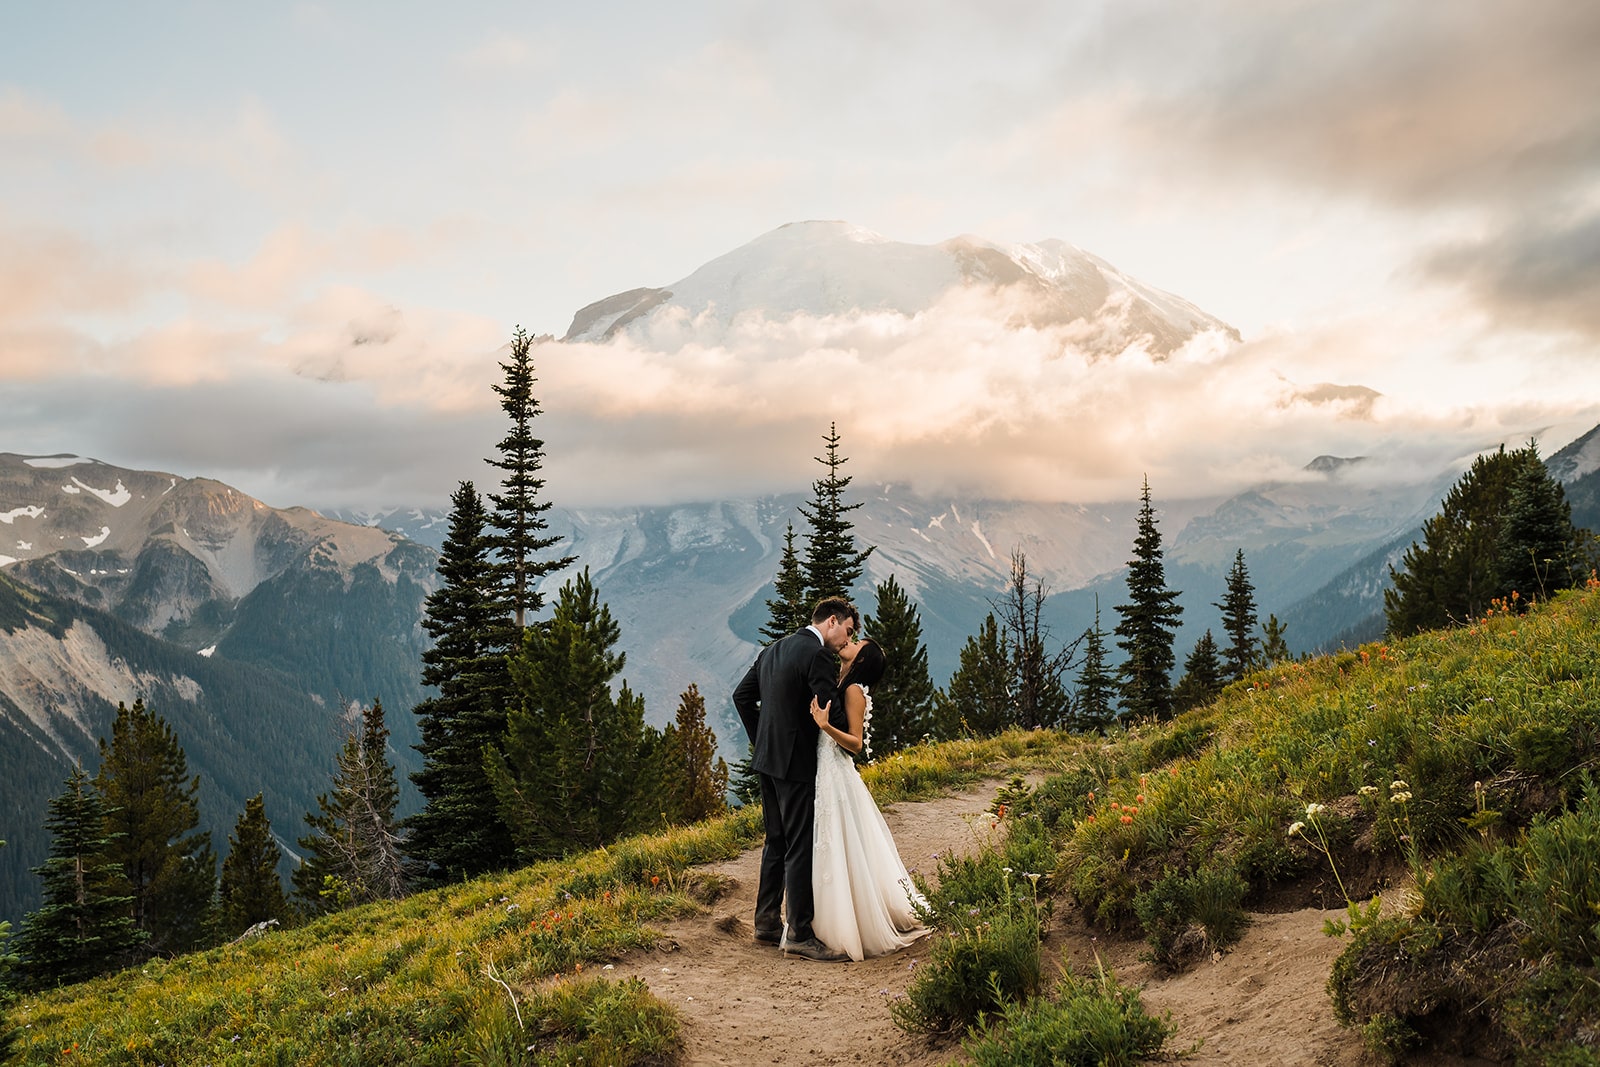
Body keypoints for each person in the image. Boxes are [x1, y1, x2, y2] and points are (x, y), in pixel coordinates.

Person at [732, 597, 857, 962]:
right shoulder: (817, 655)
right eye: (846, 632)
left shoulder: (773, 650)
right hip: (796, 762)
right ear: (832, 621)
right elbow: (828, 706)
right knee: (799, 843)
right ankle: (800, 932)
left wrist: (762, 739)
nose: (845, 641)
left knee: (776, 839)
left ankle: (766, 922)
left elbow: (742, 696)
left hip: (767, 761)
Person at [808, 636, 929, 961]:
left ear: (862, 659)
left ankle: (847, 925)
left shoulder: (852, 691)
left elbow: (857, 743)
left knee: (840, 842)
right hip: (826, 770)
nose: (849, 641)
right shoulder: (840, 682)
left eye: (857, 643)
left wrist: (825, 726)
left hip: (836, 770)